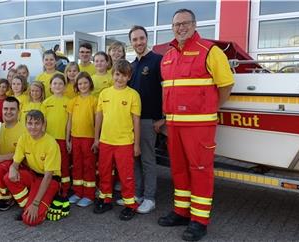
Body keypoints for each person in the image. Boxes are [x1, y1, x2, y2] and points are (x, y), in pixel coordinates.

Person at [157, 9, 234, 242]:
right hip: (174, 125)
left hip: (200, 126)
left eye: (185, 23)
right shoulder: (168, 55)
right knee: (178, 170)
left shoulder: (210, 51)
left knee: (200, 171)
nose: (180, 27)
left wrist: (209, 108)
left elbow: (226, 85)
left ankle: (199, 220)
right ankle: (181, 211)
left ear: (194, 24)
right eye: (176, 24)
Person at [92, 60, 141, 221]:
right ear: (112, 75)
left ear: (129, 77)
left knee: (126, 175)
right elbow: (99, 116)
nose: (120, 78)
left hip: (125, 142)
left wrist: (137, 144)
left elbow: (136, 121)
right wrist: (96, 138)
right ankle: (105, 199)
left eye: (124, 75)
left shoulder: (133, 94)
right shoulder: (105, 93)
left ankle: (130, 204)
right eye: (117, 74)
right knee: (104, 172)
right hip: (106, 141)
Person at [127, 25, 164, 214]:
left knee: (148, 160)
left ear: (147, 39)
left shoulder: (158, 60)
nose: (138, 42)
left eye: (141, 38)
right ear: (131, 42)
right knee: (135, 159)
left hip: (149, 121)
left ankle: (150, 198)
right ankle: (138, 194)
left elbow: (166, 91)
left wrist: (162, 118)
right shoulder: (132, 66)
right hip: (132, 122)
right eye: (134, 39)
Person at [4, 110, 61, 226]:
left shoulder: (51, 144)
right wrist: (12, 168)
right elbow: (16, 162)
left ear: (43, 124)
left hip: (49, 180)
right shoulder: (24, 138)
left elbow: (48, 176)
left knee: (30, 220)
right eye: (30, 123)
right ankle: (27, 206)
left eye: (37, 123)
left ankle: (42, 202)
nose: (33, 127)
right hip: (33, 176)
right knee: (8, 177)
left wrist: (35, 204)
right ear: (25, 124)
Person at [66, 72, 97, 207]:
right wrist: (68, 139)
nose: (83, 86)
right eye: (80, 84)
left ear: (90, 83)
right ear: (76, 86)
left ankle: (89, 194)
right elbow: (69, 122)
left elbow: (97, 122)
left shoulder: (94, 100)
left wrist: (97, 139)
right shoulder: (73, 101)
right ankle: (78, 192)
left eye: (85, 83)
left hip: (89, 138)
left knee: (89, 165)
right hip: (75, 138)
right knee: (77, 165)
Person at [41, 73, 71, 198]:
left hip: (63, 139)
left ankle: (65, 190)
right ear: (50, 87)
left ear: (64, 87)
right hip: (49, 140)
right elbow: (43, 122)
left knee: (63, 164)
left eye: (60, 83)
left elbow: (69, 122)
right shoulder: (46, 102)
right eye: (55, 83)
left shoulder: (69, 102)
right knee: (49, 165)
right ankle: (51, 188)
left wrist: (68, 139)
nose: (57, 86)